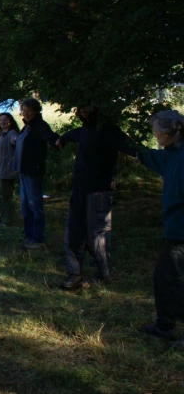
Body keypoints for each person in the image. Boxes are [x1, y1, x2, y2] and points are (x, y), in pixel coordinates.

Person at [56, 105, 138, 289]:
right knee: (72, 232)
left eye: (88, 108)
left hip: (99, 190)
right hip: (78, 188)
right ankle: (75, 273)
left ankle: (103, 273)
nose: (84, 112)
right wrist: (62, 139)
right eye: (82, 109)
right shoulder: (84, 130)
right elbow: (72, 134)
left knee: (97, 235)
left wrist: (142, 155)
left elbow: (130, 146)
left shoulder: (108, 131)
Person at [136, 110, 184, 349]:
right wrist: (139, 155)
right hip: (175, 229)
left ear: (171, 133)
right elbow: (153, 158)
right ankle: (165, 325)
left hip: (181, 231)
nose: (155, 137)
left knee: (168, 279)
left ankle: (167, 325)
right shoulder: (171, 154)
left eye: (157, 133)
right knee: (164, 278)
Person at [13, 98, 60, 250]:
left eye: (28, 111)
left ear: (35, 111)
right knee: (25, 206)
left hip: (33, 171)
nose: (25, 114)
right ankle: (29, 236)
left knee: (35, 206)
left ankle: (38, 238)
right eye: (23, 111)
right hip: (23, 170)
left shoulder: (40, 126)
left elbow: (50, 137)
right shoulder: (27, 126)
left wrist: (58, 141)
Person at [0, 113, 20, 225]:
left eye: (5, 120)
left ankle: (8, 220)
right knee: (0, 197)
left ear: (10, 121)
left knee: (7, 197)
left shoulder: (11, 133)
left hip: (6, 171)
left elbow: (14, 139)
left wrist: (17, 139)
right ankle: (2, 217)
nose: (2, 122)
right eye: (1, 120)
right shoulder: (1, 135)